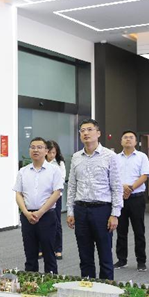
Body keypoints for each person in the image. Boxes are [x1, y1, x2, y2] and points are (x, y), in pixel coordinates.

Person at [67, 119, 122, 280]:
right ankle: (87, 287)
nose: (85, 133)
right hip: (81, 210)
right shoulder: (76, 157)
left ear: (98, 133)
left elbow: (116, 186)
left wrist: (115, 214)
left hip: (102, 210)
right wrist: (70, 211)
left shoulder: (110, 156)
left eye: (89, 129)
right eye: (82, 130)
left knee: (105, 255)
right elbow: (72, 186)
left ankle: (107, 289)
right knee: (85, 255)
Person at [14, 137, 63, 274]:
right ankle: (31, 282)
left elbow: (56, 193)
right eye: (33, 147)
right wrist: (25, 212)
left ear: (46, 151)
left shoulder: (54, 170)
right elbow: (18, 194)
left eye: (39, 147)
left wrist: (40, 212)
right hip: (27, 216)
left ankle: (51, 282)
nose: (35, 150)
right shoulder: (23, 171)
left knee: (49, 254)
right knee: (30, 254)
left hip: (47, 216)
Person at [115, 131, 149, 272]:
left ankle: (141, 261)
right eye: (125, 137)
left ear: (136, 142)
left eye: (131, 137)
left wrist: (130, 188)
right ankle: (121, 260)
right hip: (120, 198)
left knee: (139, 231)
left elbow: (144, 176)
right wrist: (123, 188)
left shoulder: (142, 157)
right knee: (121, 231)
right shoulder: (115, 158)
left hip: (137, 198)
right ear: (121, 141)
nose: (128, 139)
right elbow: (112, 176)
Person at [38, 140, 67, 260]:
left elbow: (61, 179)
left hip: (55, 197)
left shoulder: (59, 163)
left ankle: (58, 249)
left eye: (54, 152)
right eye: (49, 152)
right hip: (42, 197)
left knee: (56, 222)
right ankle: (41, 248)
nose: (51, 155)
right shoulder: (40, 162)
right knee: (41, 223)